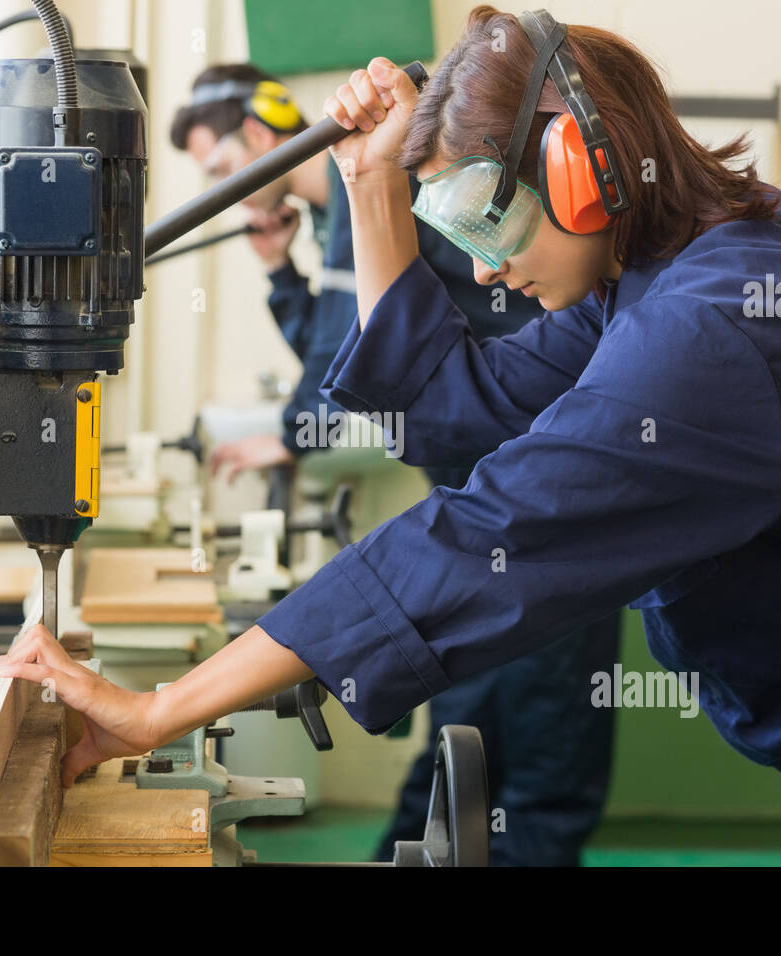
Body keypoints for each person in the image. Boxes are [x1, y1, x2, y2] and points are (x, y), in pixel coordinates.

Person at [0, 7, 781, 866]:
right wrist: (372, 185)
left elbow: (476, 537)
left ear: (580, 163)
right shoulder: (667, 277)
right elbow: (443, 404)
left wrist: (164, 706)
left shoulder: (710, 330)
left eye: (487, 222)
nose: (481, 271)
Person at [169, 63, 620, 865]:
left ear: (260, 138)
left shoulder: (363, 196)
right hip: (488, 463)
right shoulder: (343, 214)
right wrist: (280, 273)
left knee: (539, 706)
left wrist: (298, 432)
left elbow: (359, 360)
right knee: (487, 695)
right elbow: (343, 346)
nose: (231, 191)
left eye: (220, 169)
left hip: (527, 465)